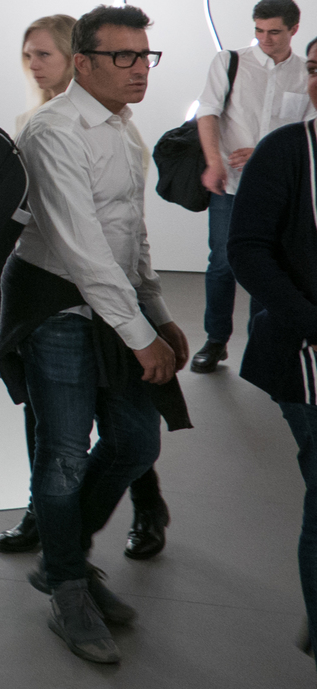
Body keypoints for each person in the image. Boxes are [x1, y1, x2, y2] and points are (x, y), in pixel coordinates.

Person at [0, 4, 191, 666]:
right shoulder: (53, 132)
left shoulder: (121, 125)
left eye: (146, 56)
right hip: (56, 306)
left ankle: (61, 559)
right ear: (85, 62)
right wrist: (143, 336)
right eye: (125, 57)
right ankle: (71, 588)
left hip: (114, 305)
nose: (140, 70)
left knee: (136, 439)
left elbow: (130, 231)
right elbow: (82, 249)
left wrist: (158, 310)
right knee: (63, 455)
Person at [229, 35, 317, 659]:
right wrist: (309, 317)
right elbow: (247, 249)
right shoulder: (287, 151)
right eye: (315, 70)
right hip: (304, 351)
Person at [192, 0, 311, 374]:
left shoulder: (304, 73)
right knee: (223, 264)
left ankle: (260, 342)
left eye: (274, 32)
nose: (265, 39)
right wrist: (213, 162)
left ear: (293, 29)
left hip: (280, 191)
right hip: (229, 183)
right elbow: (207, 113)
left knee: (269, 266)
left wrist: (262, 152)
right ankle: (215, 341)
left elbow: (303, 129)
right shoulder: (230, 62)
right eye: (259, 31)